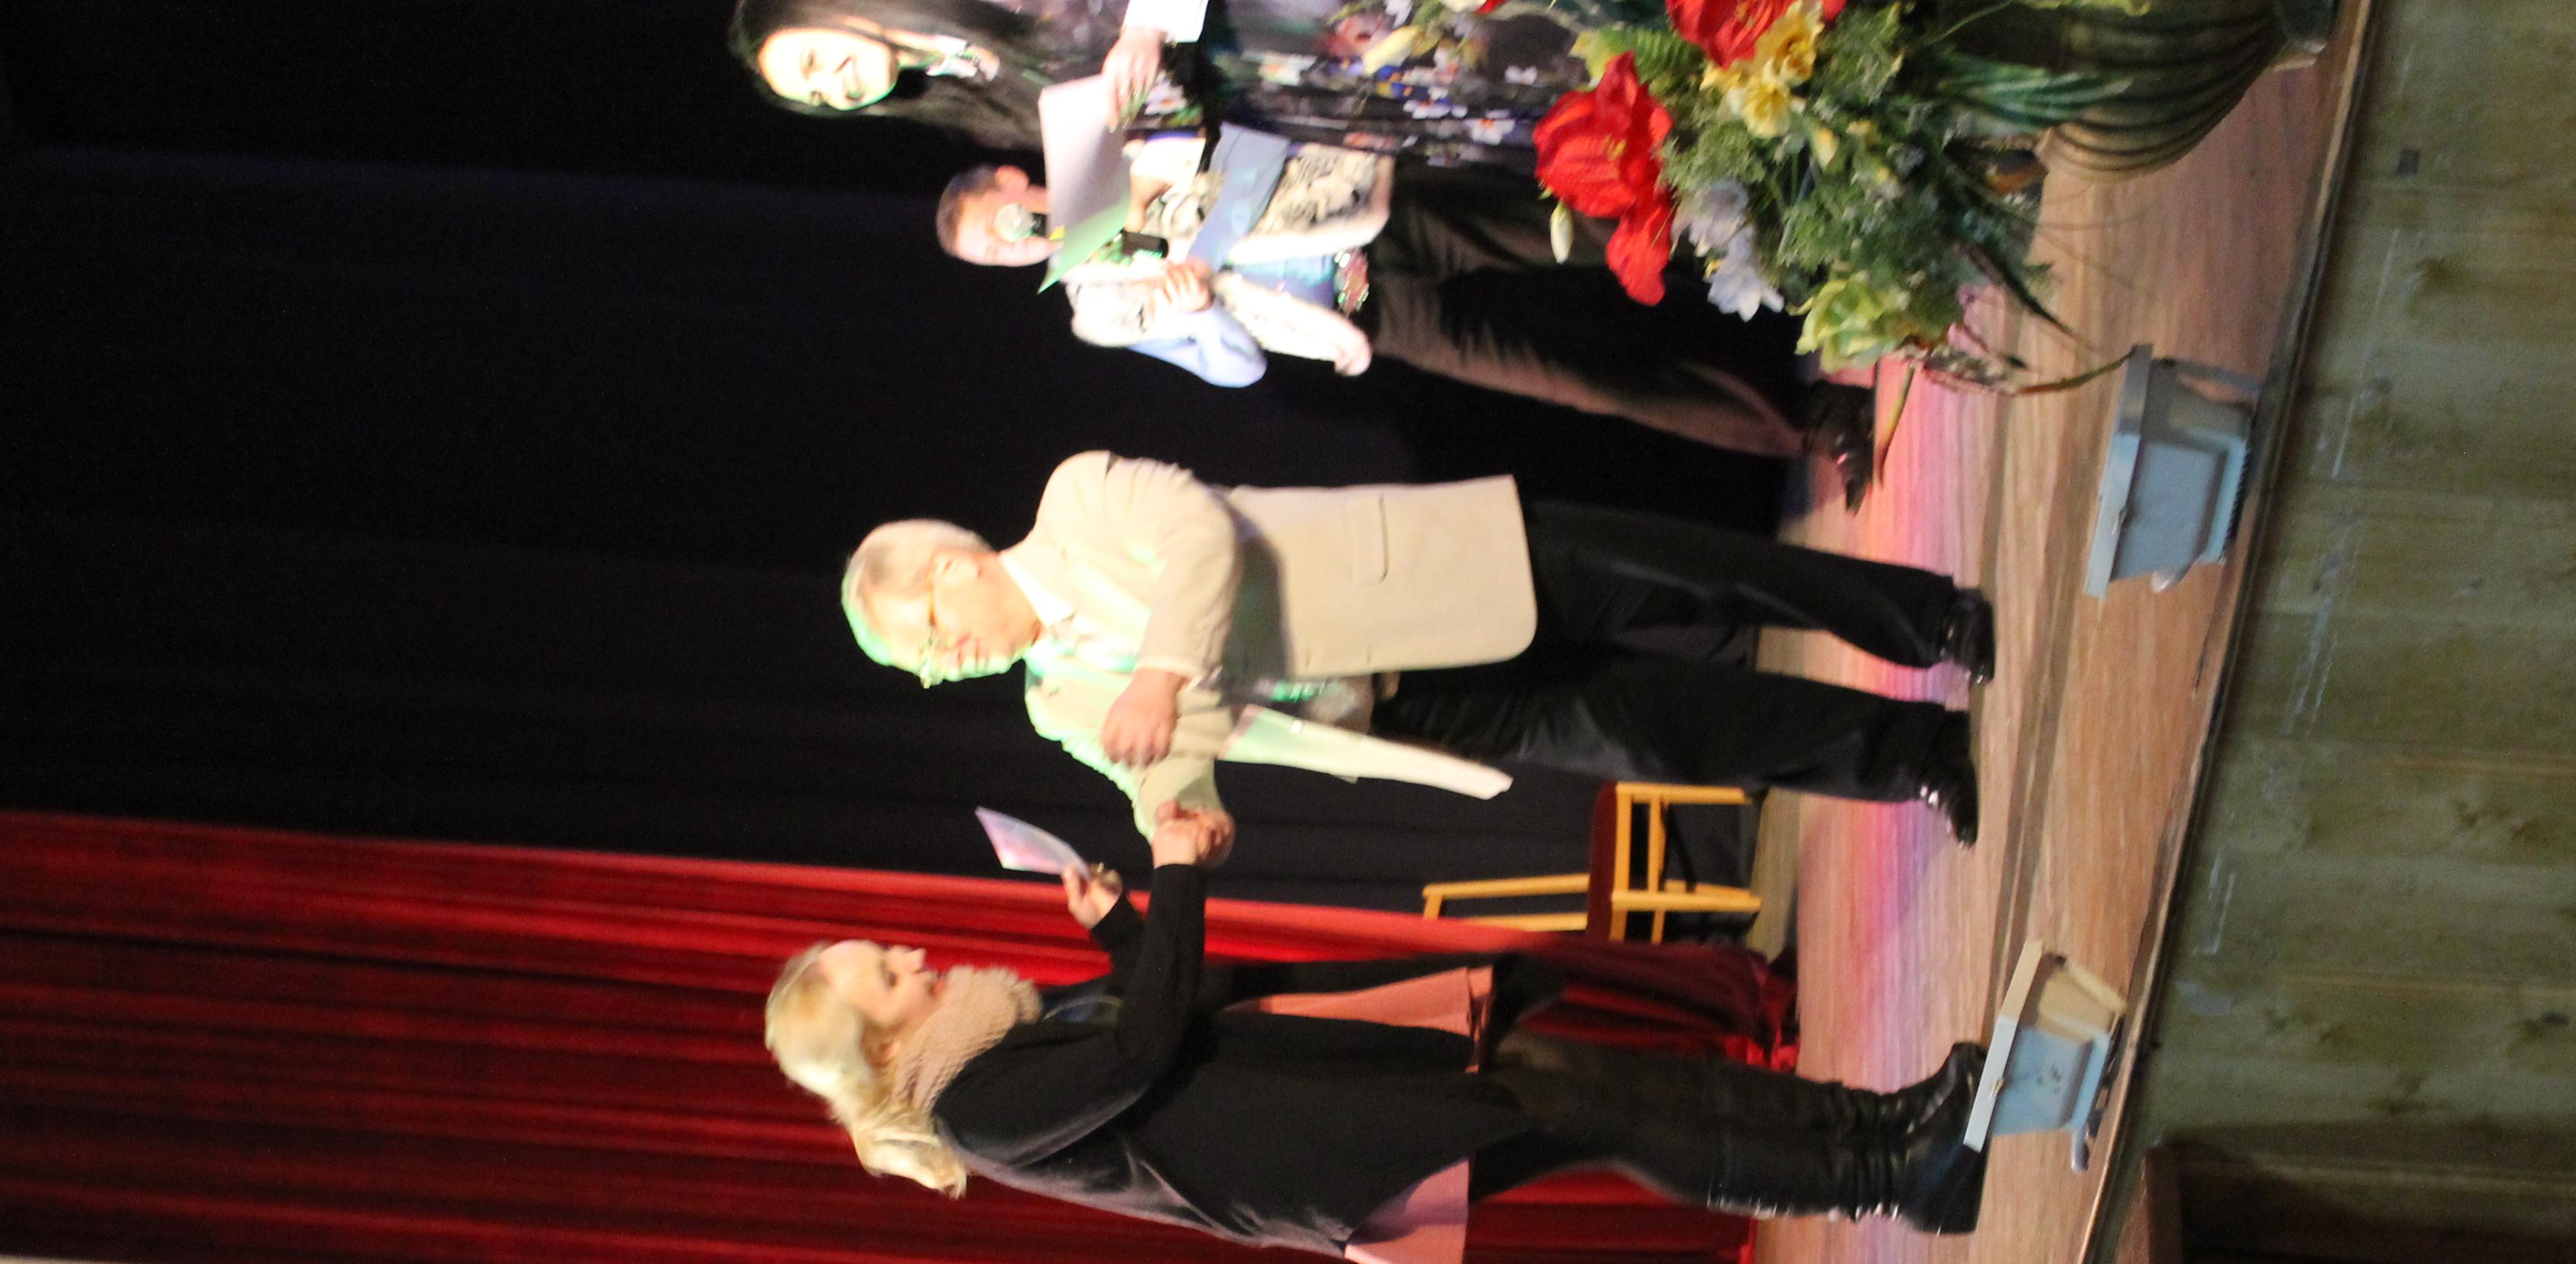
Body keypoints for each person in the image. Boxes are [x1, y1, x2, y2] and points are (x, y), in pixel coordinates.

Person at [762, 815, 1993, 1264]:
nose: (912, 956)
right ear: (877, 1047)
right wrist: (1175, 879)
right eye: (889, 975)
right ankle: (1894, 1179)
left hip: (1325, 1089)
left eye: (889, 951)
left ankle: (1886, 1126)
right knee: (1596, 1117)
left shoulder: (993, 1036)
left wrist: (1121, 925)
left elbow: (1151, 1019)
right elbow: (1139, 1061)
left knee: (1593, 1082)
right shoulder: (971, 1107)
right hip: (1330, 1149)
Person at [842, 452, 1994, 844]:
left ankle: (1930, 618)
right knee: (1668, 738)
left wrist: (1159, 673)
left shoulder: (1076, 500)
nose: (947, 665)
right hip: (1396, 706)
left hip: (1436, 573)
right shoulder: (1053, 701)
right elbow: (1148, 766)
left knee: (1700, 576)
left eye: (931, 639)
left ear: (951, 568)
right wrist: (1173, 823)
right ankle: (1913, 755)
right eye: (926, 671)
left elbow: (1198, 534)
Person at [937, 153, 1876, 470]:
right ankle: (1813, 420)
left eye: (1003, 221)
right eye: (996, 253)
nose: (1016, 241)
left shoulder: (1112, 146)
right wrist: (1203, 307)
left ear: (1015, 181)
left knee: (1593, 231)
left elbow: (1250, 144)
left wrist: (1176, 219)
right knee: (1587, 379)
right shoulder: (1097, 311)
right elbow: (1236, 368)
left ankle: (1813, 236)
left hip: (1374, 216)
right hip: (1370, 318)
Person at [731, 0, 1574, 168]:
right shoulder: (968, 89)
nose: (834, 87)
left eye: (814, 62)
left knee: (1542, 49)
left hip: (1294, 20)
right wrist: (1110, 204)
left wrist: (1146, 26)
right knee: (1543, 134)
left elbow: (1134, 45)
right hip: (1294, 101)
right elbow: (1146, 125)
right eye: (818, 100)